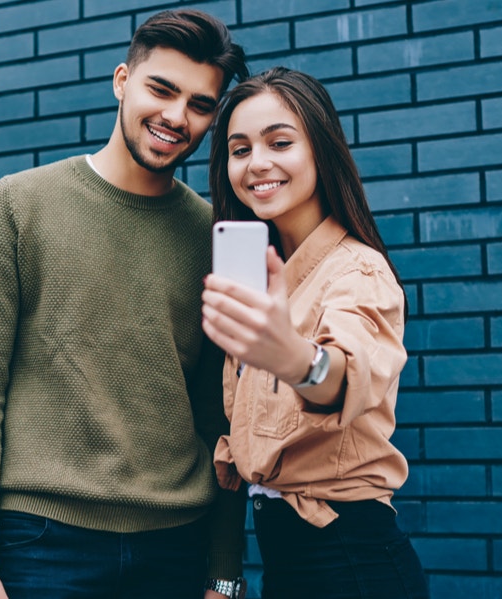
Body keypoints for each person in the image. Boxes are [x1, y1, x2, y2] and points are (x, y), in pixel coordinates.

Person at [0, 9, 249, 599]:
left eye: (200, 104)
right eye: (160, 89)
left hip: (176, 546)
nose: (175, 116)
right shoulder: (17, 205)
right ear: (121, 81)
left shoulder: (216, 237)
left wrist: (224, 571)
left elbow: (224, 413)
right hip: (40, 544)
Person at [201, 67, 430, 599]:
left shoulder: (357, 271)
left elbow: (348, 373)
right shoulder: (263, 278)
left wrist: (300, 362)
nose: (257, 163)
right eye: (239, 149)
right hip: (288, 567)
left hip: (352, 564)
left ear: (321, 149)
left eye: (280, 142)